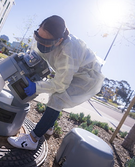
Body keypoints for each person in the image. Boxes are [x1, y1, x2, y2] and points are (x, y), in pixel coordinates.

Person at [7, 15, 105, 150]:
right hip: (73, 71)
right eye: (38, 37)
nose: (40, 43)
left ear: (58, 41)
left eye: (45, 41)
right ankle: (48, 127)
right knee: (54, 94)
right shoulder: (47, 40)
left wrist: (36, 87)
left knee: (57, 97)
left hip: (86, 77)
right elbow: (35, 54)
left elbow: (60, 84)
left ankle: (32, 140)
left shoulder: (68, 52)